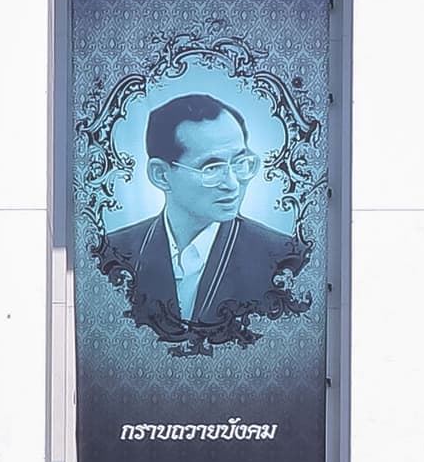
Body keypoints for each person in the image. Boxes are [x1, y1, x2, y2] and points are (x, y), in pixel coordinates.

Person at [97, 91, 305, 350]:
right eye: (212, 168)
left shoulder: (286, 260)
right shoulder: (110, 255)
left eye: (240, 162)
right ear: (161, 175)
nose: (232, 184)